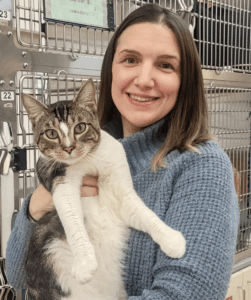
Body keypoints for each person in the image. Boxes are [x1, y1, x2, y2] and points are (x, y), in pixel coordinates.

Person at [6, 3, 239, 300]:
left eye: (165, 65)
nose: (144, 79)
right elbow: (19, 278)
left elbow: (184, 295)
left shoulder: (202, 165)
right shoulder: (81, 152)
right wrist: (35, 208)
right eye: (130, 59)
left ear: (185, 81)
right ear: (111, 70)